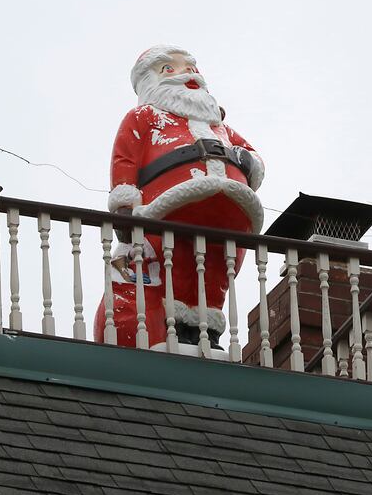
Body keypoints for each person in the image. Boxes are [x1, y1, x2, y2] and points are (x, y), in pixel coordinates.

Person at [93, 45, 265, 350]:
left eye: (191, 67)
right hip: (171, 206)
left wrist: (245, 160)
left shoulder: (220, 128)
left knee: (215, 271)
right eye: (169, 69)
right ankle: (180, 330)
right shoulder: (144, 117)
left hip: (232, 211)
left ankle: (208, 332)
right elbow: (125, 159)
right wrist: (124, 202)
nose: (187, 73)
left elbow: (253, 157)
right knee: (178, 266)